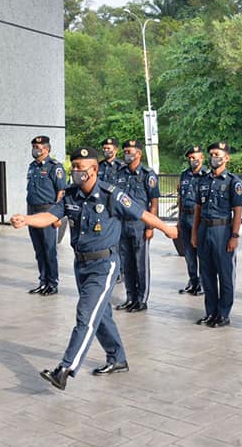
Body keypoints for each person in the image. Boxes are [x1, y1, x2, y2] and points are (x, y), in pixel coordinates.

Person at [11, 147, 177, 391]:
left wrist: (167, 229)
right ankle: (117, 358)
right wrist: (27, 219)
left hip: (104, 264)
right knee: (101, 315)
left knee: (86, 315)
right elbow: (49, 217)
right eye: (74, 167)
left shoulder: (111, 195)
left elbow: (142, 214)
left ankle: (65, 369)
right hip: (81, 264)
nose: (77, 172)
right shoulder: (69, 196)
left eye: (81, 168)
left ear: (94, 169)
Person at [193, 142, 242, 327]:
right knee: (206, 274)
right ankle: (210, 312)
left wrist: (234, 236)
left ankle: (223, 313)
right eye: (212, 154)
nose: (214, 157)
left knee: (225, 274)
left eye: (217, 154)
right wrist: (194, 233)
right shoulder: (203, 180)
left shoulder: (233, 181)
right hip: (204, 229)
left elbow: (237, 210)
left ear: (226, 158)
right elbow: (198, 209)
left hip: (222, 230)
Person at [114, 140, 160, 312]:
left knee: (140, 263)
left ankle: (141, 299)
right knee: (126, 263)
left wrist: (150, 227)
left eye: (129, 151)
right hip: (122, 223)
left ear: (138, 154)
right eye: (125, 151)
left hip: (140, 224)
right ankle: (130, 297)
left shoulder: (148, 174)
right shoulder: (120, 173)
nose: (126, 154)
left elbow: (153, 203)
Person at [25, 135, 66, 296]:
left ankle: (52, 283)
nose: (35, 150)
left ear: (47, 149)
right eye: (34, 147)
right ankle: (43, 282)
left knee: (49, 249)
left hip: (48, 211)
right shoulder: (32, 166)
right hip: (33, 210)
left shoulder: (54, 167)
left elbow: (61, 192)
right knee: (39, 249)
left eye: (38, 147)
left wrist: (57, 217)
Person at [177, 146, 207, 296]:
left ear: (202, 158)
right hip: (185, 216)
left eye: (195, 158)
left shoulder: (207, 176)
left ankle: (203, 283)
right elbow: (180, 197)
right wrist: (178, 219)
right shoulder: (185, 175)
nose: (192, 160)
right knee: (188, 252)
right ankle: (193, 280)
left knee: (201, 252)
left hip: (199, 218)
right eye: (190, 158)